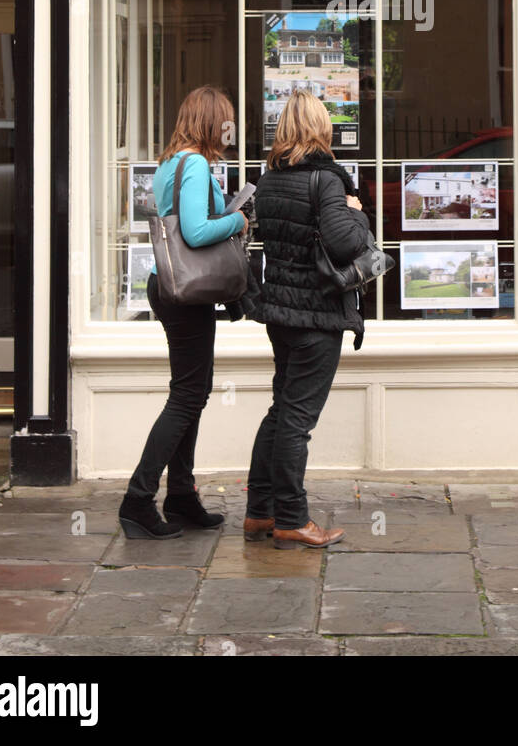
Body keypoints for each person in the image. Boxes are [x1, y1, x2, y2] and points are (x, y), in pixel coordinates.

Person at [118, 86, 247, 540]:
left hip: (171, 284)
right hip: (184, 291)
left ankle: (181, 496)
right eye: (226, 121)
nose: (229, 129)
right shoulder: (193, 164)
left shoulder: (170, 163)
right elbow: (194, 230)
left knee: (193, 389)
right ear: (212, 121)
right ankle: (138, 499)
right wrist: (238, 220)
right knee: (188, 394)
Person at [244, 89, 370, 550]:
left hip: (280, 312)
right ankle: (292, 518)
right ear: (322, 129)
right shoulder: (327, 180)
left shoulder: (270, 179)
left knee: (281, 410)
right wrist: (359, 214)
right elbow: (344, 244)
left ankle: (260, 511)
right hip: (317, 315)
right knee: (297, 418)